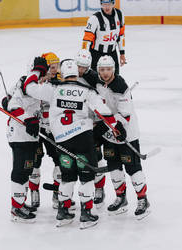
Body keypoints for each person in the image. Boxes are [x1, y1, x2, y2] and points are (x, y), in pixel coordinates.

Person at [22, 57, 120, 229]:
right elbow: (104, 112)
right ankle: (87, 213)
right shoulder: (88, 91)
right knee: (87, 176)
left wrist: (36, 71)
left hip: (61, 141)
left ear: (63, 72)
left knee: (67, 176)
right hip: (83, 139)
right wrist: (116, 128)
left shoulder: (53, 89)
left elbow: (29, 88)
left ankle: (63, 212)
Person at [95, 55, 150, 219]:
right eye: (102, 70)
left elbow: (125, 114)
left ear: (114, 69)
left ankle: (143, 200)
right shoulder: (98, 83)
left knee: (132, 167)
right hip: (110, 134)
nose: (105, 73)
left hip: (127, 133)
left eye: (108, 69)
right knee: (114, 166)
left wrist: (113, 125)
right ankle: (121, 198)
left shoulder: (120, 86)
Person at [4, 75, 43, 223]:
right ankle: (16, 209)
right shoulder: (24, 83)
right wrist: (28, 118)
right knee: (20, 171)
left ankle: (19, 204)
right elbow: (11, 102)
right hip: (20, 136)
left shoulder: (38, 85)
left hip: (29, 137)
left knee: (27, 169)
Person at [28, 52, 63, 209]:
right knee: (35, 163)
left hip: (54, 130)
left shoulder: (62, 82)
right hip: (37, 129)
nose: (56, 69)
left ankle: (58, 193)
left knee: (61, 162)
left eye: (57, 65)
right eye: (52, 66)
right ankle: (34, 192)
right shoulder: (35, 84)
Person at [75, 49, 107, 209]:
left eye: (85, 68)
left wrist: (97, 120)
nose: (81, 70)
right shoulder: (68, 75)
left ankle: (99, 188)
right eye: (79, 66)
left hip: (91, 124)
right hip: (75, 126)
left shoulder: (94, 79)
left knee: (97, 157)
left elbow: (102, 100)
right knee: (80, 159)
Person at [82, 0, 126, 74]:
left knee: (115, 77)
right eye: (104, 4)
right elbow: (87, 40)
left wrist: (122, 53)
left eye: (108, 4)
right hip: (96, 54)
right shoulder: (94, 18)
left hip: (112, 52)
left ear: (113, 4)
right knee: (95, 79)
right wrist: (84, 55)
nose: (106, 7)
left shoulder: (119, 14)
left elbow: (121, 35)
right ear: (101, 5)